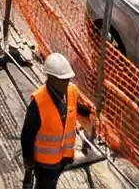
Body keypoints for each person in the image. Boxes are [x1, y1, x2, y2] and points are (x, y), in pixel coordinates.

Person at [21, 53, 94, 189]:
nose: (66, 82)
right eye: (63, 79)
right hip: (45, 164)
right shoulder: (38, 102)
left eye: (68, 78)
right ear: (50, 78)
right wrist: (28, 160)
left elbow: (73, 106)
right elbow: (27, 135)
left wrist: (85, 110)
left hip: (64, 157)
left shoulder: (71, 91)